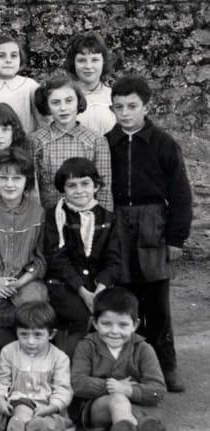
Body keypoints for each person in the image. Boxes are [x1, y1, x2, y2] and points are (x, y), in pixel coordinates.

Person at [106, 75, 192, 392]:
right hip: (118, 222)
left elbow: (181, 193)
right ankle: (129, 367)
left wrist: (176, 238)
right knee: (124, 299)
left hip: (153, 224)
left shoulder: (164, 143)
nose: (125, 113)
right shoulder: (107, 143)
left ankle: (166, 366)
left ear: (146, 107)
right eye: (118, 107)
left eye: (132, 106)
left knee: (157, 303)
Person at [71, 287, 167, 431]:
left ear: (135, 325)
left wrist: (129, 390)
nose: (114, 331)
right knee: (118, 400)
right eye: (106, 324)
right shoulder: (86, 346)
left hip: (136, 407)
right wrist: (110, 387)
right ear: (94, 323)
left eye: (123, 325)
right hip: (99, 409)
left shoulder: (144, 349)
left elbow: (158, 390)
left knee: (140, 413)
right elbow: (77, 383)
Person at [0, 149, 47, 368]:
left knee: (32, 314)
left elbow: (41, 258)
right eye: (3, 178)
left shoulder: (39, 213)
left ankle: (30, 364)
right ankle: (14, 363)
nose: (10, 184)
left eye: (17, 178)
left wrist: (20, 282)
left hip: (27, 280)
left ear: (27, 181)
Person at [43, 158, 121, 357]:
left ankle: (103, 363)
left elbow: (114, 260)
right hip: (65, 284)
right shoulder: (55, 216)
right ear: (63, 189)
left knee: (114, 313)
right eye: (72, 185)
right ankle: (67, 364)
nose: (79, 190)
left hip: (98, 284)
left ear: (96, 186)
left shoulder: (108, 218)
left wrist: (100, 290)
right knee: (78, 314)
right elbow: (56, 257)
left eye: (85, 183)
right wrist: (83, 291)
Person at [0, 301, 74, 431]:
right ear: (16, 332)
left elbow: (62, 388)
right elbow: (2, 380)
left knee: (41, 421)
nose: (30, 341)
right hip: (16, 403)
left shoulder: (60, 358)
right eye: (24, 334)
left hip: (46, 408)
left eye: (37, 335)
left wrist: (52, 407)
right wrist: (0, 399)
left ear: (51, 334)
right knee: (23, 408)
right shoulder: (8, 352)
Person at [28, 74, 113, 210]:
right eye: (55, 102)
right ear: (47, 106)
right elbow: (32, 188)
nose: (63, 108)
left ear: (78, 101)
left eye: (69, 101)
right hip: (49, 217)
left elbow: (104, 188)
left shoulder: (96, 140)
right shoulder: (36, 141)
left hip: (87, 217)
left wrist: (104, 219)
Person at [65, 32, 116, 135]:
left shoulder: (115, 97)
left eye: (95, 60)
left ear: (103, 61)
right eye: (82, 60)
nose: (88, 66)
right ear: (73, 63)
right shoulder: (64, 98)